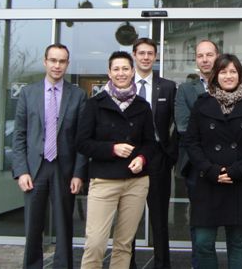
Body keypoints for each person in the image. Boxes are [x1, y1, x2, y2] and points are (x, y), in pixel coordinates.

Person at [184, 54, 242, 269]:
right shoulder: (202, 103)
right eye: (223, 72)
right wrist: (211, 170)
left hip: (241, 180)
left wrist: (239, 170)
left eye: (233, 71)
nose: (228, 76)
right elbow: (192, 142)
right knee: (203, 242)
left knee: (238, 242)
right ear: (216, 75)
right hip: (208, 181)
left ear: (240, 75)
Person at [76, 51, 156, 269]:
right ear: (109, 73)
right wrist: (112, 149)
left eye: (125, 69)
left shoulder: (142, 106)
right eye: (116, 69)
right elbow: (82, 143)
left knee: (124, 244)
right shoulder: (95, 104)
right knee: (95, 243)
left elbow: (150, 143)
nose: (121, 73)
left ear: (132, 71)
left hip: (136, 181)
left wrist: (142, 158)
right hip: (104, 180)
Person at [13, 43, 87, 269]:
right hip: (35, 169)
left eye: (62, 61)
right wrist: (21, 171)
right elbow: (19, 135)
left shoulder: (78, 95)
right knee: (33, 225)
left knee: (64, 225)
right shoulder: (28, 93)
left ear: (67, 64)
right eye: (53, 60)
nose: (57, 65)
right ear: (45, 62)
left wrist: (78, 173)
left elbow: (82, 139)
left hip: (64, 169)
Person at [129, 38, 177, 269]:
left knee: (159, 218)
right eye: (142, 53)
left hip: (158, 157)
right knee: (128, 218)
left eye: (150, 53)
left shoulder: (167, 87)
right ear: (134, 55)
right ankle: (127, 264)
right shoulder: (123, 83)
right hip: (129, 157)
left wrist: (170, 154)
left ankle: (162, 264)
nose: (146, 57)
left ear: (155, 56)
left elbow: (177, 123)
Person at [174, 39, 219, 265]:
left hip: (227, 164)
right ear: (196, 60)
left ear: (217, 56)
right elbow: (183, 126)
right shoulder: (185, 89)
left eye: (209, 55)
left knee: (227, 217)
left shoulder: (229, 83)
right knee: (199, 218)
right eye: (200, 56)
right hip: (196, 164)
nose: (205, 59)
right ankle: (198, 262)